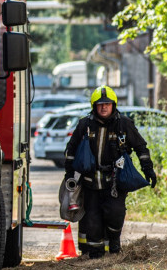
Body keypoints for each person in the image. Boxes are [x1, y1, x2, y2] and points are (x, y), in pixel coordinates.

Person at [63, 86, 157, 258]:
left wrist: (148, 170)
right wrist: (69, 176)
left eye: (107, 104)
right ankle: (96, 256)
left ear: (113, 105)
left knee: (115, 214)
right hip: (90, 183)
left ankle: (114, 242)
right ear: (94, 106)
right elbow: (71, 151)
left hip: (114, 182)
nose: (103, 107)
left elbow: (140, 147)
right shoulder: (85, 125)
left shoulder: (124, 124)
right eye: (100, 105)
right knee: (92, 220)